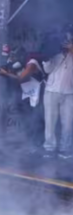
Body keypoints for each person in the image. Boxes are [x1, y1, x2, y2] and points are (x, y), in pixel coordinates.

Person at [0, 46, 46, 147]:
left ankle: (38, 144)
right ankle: (32, 142)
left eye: (15, 56)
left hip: (38, 94)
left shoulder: (32, 63)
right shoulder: (25, 64)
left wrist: (6, 73)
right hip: (30, 94)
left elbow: (21, 78)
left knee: (37, 119)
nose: (14, 58)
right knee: (30, 118)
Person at [41, 29, 73, 158]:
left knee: (68, 123)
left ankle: (65, 148)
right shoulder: (56, 55)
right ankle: (49, 148)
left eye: (69, 41)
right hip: (51, 92)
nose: (66, 43)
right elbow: (47, 70)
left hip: (70, 94)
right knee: (50, 121)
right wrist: (47, 59)